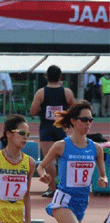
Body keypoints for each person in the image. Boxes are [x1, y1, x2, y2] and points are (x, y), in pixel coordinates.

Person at [27, 100, 108, 223]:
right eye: (84, 119)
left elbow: (103, 175)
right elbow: (40, 167)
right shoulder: (61, 146)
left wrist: (102, 179)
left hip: (81, 203)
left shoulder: (96, 148)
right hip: (63, 202)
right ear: (73, 121)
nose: (88, 123)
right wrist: (43, 175)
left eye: (91, 119)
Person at [30, 65, 75, 198]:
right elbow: (75, 108)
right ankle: (63, 186)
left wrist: (43, 111)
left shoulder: (41, 92)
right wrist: (64, 113)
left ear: (46, 76)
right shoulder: (67, 92)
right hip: (61, 127)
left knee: (49, 159)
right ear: (60, 76)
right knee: (63, 158)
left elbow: (32, 111)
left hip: (46, 128)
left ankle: (52, 187)